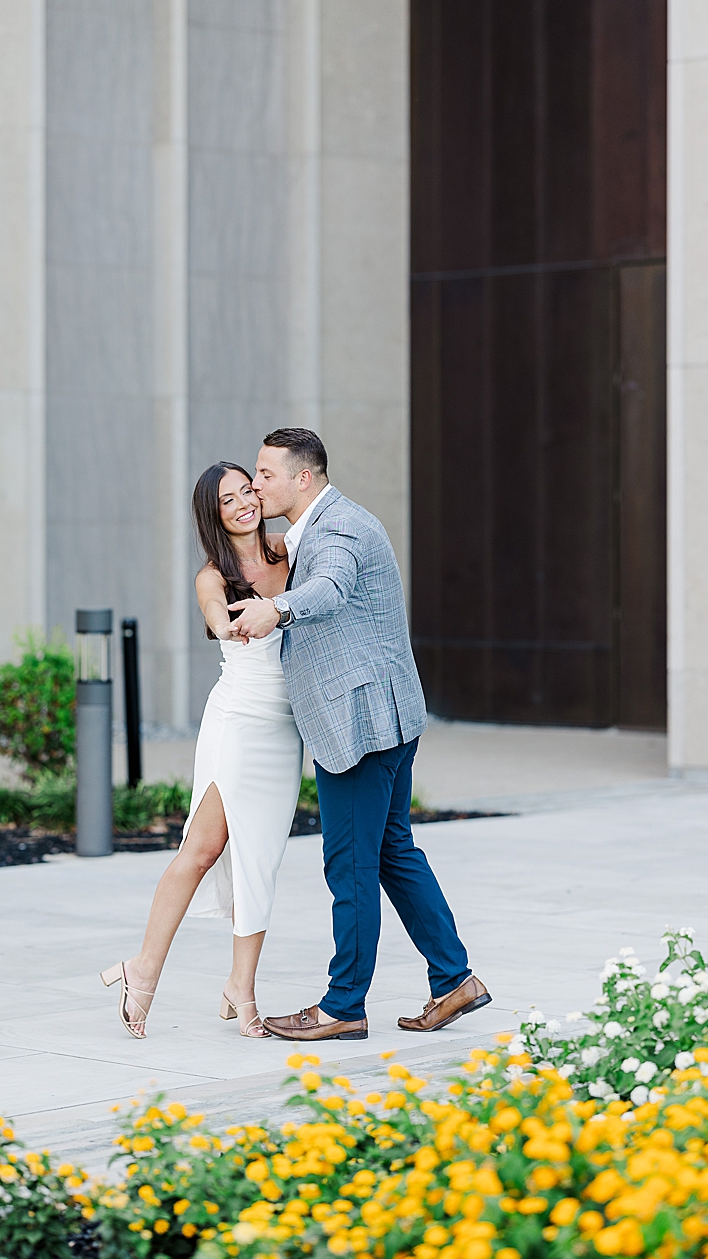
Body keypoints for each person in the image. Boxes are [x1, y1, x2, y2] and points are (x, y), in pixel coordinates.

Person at [228, 427, 491, 1040]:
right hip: (385, 718)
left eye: (266, 474)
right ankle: (454, 979)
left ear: (304, 478)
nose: (257, 483)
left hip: (361, 724)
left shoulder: (339, 529)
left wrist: (279, 609)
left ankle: (343, 1004)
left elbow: (330, 587)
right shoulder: (318, 527)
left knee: (350, 863)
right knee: (392, 851)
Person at [101, 461, 303, 1039]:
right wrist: (234, 624)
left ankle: (241, 988)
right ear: (213, 515)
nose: (243, 502)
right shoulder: (212, 576)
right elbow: (217, 617)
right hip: (238, 720)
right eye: (228, 499)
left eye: (248, 490)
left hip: (285, 728)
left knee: (259, 858)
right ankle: (142, 972)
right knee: (203, 848)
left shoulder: (290, 550)